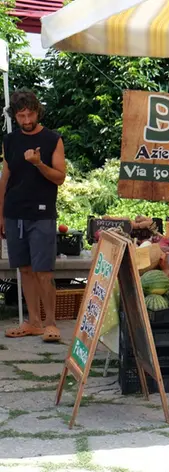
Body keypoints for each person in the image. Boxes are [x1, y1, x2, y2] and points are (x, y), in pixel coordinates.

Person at [1, 89, 67, 343]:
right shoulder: (10, 141)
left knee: (43, 271)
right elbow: (5, 179)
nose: (26, 120)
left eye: (30, 114)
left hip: (42, 214)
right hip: (14, 213)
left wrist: (39, 163)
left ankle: (51, 324)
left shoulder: (53, 139)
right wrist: (0, 215)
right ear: (14, 116)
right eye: (21, 116)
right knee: (25, 270)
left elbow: (60, 177)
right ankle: (33, 322)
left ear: (38, 111)